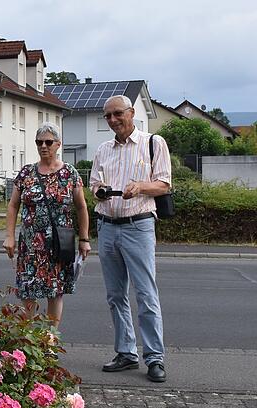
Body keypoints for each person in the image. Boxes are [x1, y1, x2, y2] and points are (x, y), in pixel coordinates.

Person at [90, 95, 172, 383]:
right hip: (108, 226)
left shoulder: (153, 142)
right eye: (107, 116)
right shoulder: (103, 149)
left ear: (132, 113)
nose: (112, 120)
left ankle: (154, 358)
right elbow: (94, 184)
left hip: (138, 226)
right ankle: (126, 352)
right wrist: (99, 191)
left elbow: (164, 184)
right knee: (115, 295)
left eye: (117, 114)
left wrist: (140, 187)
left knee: (146, 294)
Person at [3, 122, 91, 329]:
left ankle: (49, 341)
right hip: (31, 246)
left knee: (55, 292)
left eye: (48, 142)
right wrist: (10, 236)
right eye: (39, 142)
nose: (44, 146)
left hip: (59, 244)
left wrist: (84, 240)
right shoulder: (26, 173)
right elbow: (13, 205)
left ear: (58, 144)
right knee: (28, 292)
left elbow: (81, 207)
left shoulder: (69, 173)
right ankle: (28, 343)